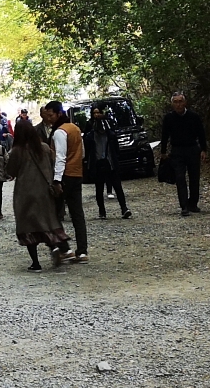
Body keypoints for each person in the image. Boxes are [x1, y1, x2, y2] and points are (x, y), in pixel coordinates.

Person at [8, 118, 70, 270]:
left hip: (25, 193)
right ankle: (53, 246)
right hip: (44, 191)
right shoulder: (44, 148)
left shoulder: (17, 151)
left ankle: (35, 263)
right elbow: (52, 165)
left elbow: (10, 172)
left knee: (28, 226)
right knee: (47, 221)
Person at [40, 101, 89, 263]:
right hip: (77, 174)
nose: (49, 118)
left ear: (59, 113)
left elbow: (60, 157)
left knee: (53, 213)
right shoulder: (75, 128)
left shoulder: (60, 132)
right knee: (77, 213)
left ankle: (63, 247)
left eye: (51, 115)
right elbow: (82, 154)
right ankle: (82, 251)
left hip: (64, 176)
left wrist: (56, 180)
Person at [160, 92, 209, 216]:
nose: (178, 105)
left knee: (194, 177)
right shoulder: (169, 118)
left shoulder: (193, 116)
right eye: (175, 102)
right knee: (180, 178)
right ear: (172, 104)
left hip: (192, 149)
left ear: (185, 103)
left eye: (180, 101)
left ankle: (193, 203)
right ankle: (184, 206)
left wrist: (203, 149)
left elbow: (201, 133)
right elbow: (165, 135)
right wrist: (163, 152)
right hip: (177, 151)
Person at [83, 106, 132, 219]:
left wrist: (105, 119)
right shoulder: (91, 136)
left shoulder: (110, 135)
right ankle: (102, 211)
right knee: (99, 189)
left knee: (117, 187)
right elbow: (87, 147)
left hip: (110, 163)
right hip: (98, 163)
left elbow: (116, 147)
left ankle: (124, 208)